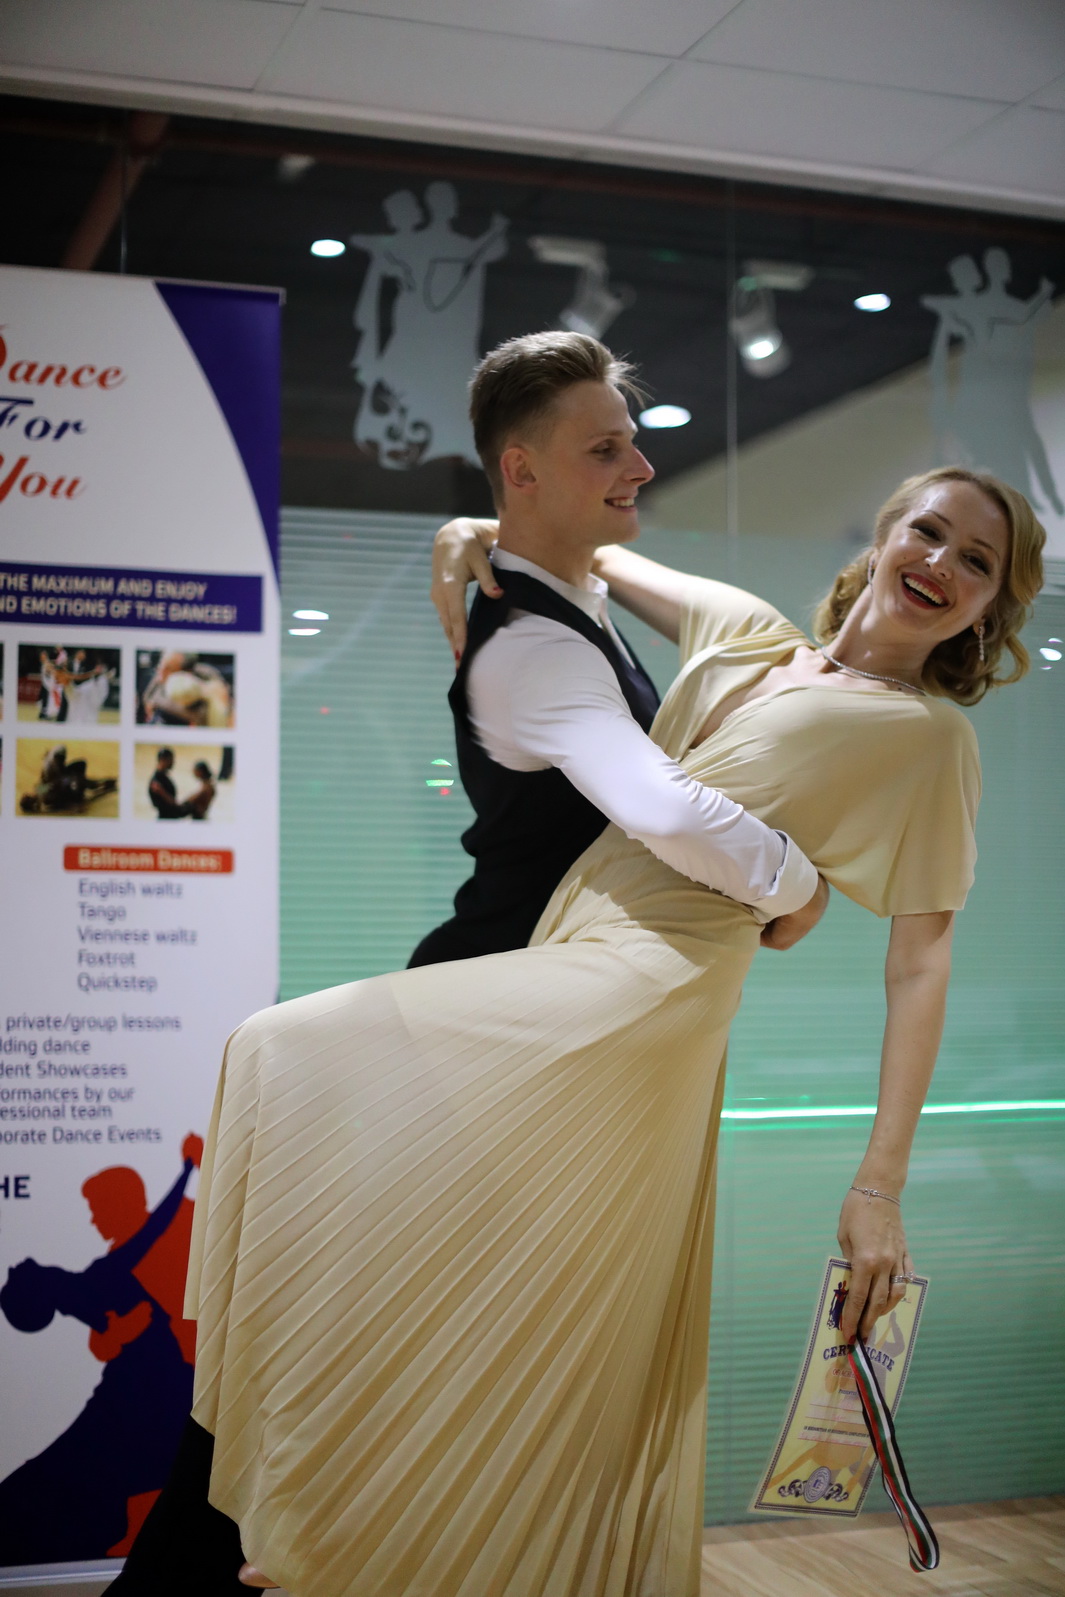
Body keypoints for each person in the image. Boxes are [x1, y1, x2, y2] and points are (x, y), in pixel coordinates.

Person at [179, 431, 1041, 1597]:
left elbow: (920, 966)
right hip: (574, 943)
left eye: (977, 561)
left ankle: (346, 1509)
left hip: (657, 986)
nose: (941, 562)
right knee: (523, 1288)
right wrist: (469, 534)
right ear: (884, 537)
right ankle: (393, 1529)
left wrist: (878, 1186)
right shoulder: (746, 632)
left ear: (989, 609)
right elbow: (575, 551)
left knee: (283, 1049)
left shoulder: (931, 739)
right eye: (928, 531)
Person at [110, 333, 825, 1597]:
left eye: (632, 441)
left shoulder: (562, 598)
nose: (639, 466)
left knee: (429, 1349)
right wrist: (798, 886)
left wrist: (481, 531)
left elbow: (614, 578)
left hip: (534, 1027)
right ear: (523, 468)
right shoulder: (531, 646)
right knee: (359, 1346)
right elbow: (660, 807)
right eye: (605, 448)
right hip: (491, 1021)